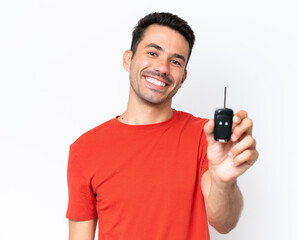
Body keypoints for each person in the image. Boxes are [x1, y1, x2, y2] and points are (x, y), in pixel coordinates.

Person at [66, 12, 258, 240]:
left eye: (175, 61)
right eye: (153, 53)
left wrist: (224, 181)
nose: (163, 68)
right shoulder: (85, 149)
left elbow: (224, 223)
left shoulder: (205, 138)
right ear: (128, 59)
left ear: (183, 77)